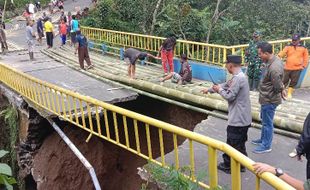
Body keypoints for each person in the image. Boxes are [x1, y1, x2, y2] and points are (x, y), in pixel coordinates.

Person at [201, 55, 252, 174]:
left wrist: (219, 90)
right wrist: (210, 90)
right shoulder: (238, 77)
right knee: (239, 144)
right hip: (243, 119)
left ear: (230, 65)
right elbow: (225, 85)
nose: (226, 67)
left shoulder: (239, 79)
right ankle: (242, 164)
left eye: (226, 65)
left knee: (232, 143)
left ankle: (229, 166)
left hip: (238, 120)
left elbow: (229, 96)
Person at [252, 42, 286, 154]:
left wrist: (281, 90)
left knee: (267, 123)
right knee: (265, 121)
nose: (259, 56)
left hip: (269, 99)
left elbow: (277, 85)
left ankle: (266, 145)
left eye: (260, 54)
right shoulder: (270, 62)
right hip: (265, 97)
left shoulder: (274, 67)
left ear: (266, 53)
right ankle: (263, 140)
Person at [278, 34, 309, 99]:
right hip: (287, 67)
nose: (294, 41)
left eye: (295, 40)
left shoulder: (304, 48)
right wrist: (277, 57)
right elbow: (282, 53)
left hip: (297, 68)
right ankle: (281, 92)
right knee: (283, 80)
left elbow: (306, 58)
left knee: (294, 82)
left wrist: (304, 66)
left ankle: (289, 93)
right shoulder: (288, 47)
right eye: (293, 40)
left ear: (299, 40)